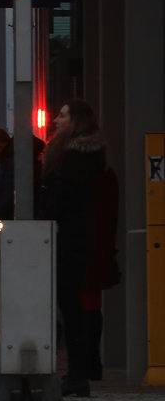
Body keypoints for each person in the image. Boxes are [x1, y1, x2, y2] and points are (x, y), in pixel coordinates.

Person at [37, 99, 107, 397]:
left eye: (62, 116)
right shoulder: (74, 152)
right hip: (68, 234)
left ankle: (78, 374)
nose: (56, 120)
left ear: (76, 120)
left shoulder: (78, 156)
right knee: (70, 304)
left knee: (70, 304)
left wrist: (40, 215)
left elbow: (64, 194)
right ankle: (78, 373)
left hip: (69, 237)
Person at [81, 163, 121, 381]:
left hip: (84, 252)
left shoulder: (85, 175)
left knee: (84, 310)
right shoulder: (105, 174)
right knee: (90, 308)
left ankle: (87, 365)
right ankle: (91, 364)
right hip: (96, 251)